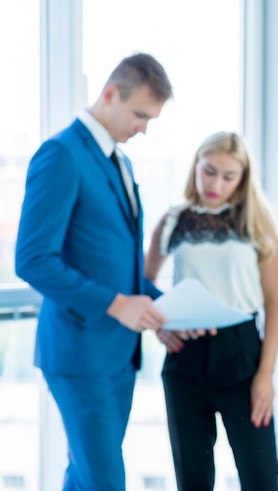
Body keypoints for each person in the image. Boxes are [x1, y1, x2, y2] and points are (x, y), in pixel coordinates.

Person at [15, 53, 173, 490]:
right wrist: (117, 304)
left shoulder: (120, 162)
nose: (144, 127)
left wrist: (168, 311)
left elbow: (117, 264)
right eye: (140, 114)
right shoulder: (61, 155)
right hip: (79, 351)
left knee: (86, 477)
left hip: (117, 353)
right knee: (105, 481)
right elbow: (31, 259)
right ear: (109, 94)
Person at [144, 131, 278, 490]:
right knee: (193, 479)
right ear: (196, 168)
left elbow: (274, 303)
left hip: (243, 356)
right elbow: (145, 285)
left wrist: (265, 376)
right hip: (185, 358)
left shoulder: (257, 222)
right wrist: (160, 326)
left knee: (262, 477)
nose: (215, 183)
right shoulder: (174, 219)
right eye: (209, 171)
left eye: (228, 175)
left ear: (243, 178)